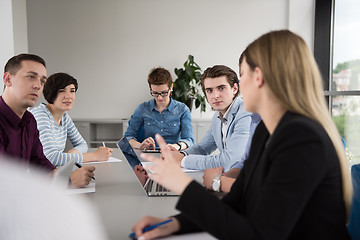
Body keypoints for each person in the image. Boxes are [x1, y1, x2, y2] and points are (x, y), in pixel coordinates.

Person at [131, 30, 352, 239]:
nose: (239, 85)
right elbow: (239, 201)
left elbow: (259, 235)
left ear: (259, 77)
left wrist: (183, 186)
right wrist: (175, 223)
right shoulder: (266, 130)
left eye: (242, 74)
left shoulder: (302, 139)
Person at [0, 53, 94, 188]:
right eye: (31, 77)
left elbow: (40, 163)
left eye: (42, 81)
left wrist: (63, 176)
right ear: (8, 79)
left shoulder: (29, 120)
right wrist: (67, 180)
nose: (38, 86)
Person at [169, 65, 251, 172]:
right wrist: (179, 154)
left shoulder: (246, 113)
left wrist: (183, 160)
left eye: (221, 88)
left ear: (235, 89)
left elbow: (228, 162)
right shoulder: (217, 118)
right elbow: (202, 148)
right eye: (209, 90)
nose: (215, 95)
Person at [31, 72, 113, 167]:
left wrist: (74, 152)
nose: (68, 96)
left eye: (72, 91)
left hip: (52, 172)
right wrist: (95, 156)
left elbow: (83, 144)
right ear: (51, 93)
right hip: (35, 176)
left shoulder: (64, 116)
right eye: (62, 91)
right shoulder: (40, 115)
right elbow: (52, 158)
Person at [124, 67, 194, 151]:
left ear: (171, 87)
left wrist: (176, 146)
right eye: (155, 93)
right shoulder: (142, 109)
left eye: (164, 93)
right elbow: (128, 138)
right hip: (149, 155)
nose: (160, 98)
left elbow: (189, 140)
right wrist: (140, 145)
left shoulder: (182, 109)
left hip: (172, 154)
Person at [203, 113, 261, 193]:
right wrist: (223, 176)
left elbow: (265, 191)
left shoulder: (245, 116)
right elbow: (244, 162)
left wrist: (218, 181)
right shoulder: (255, 120)